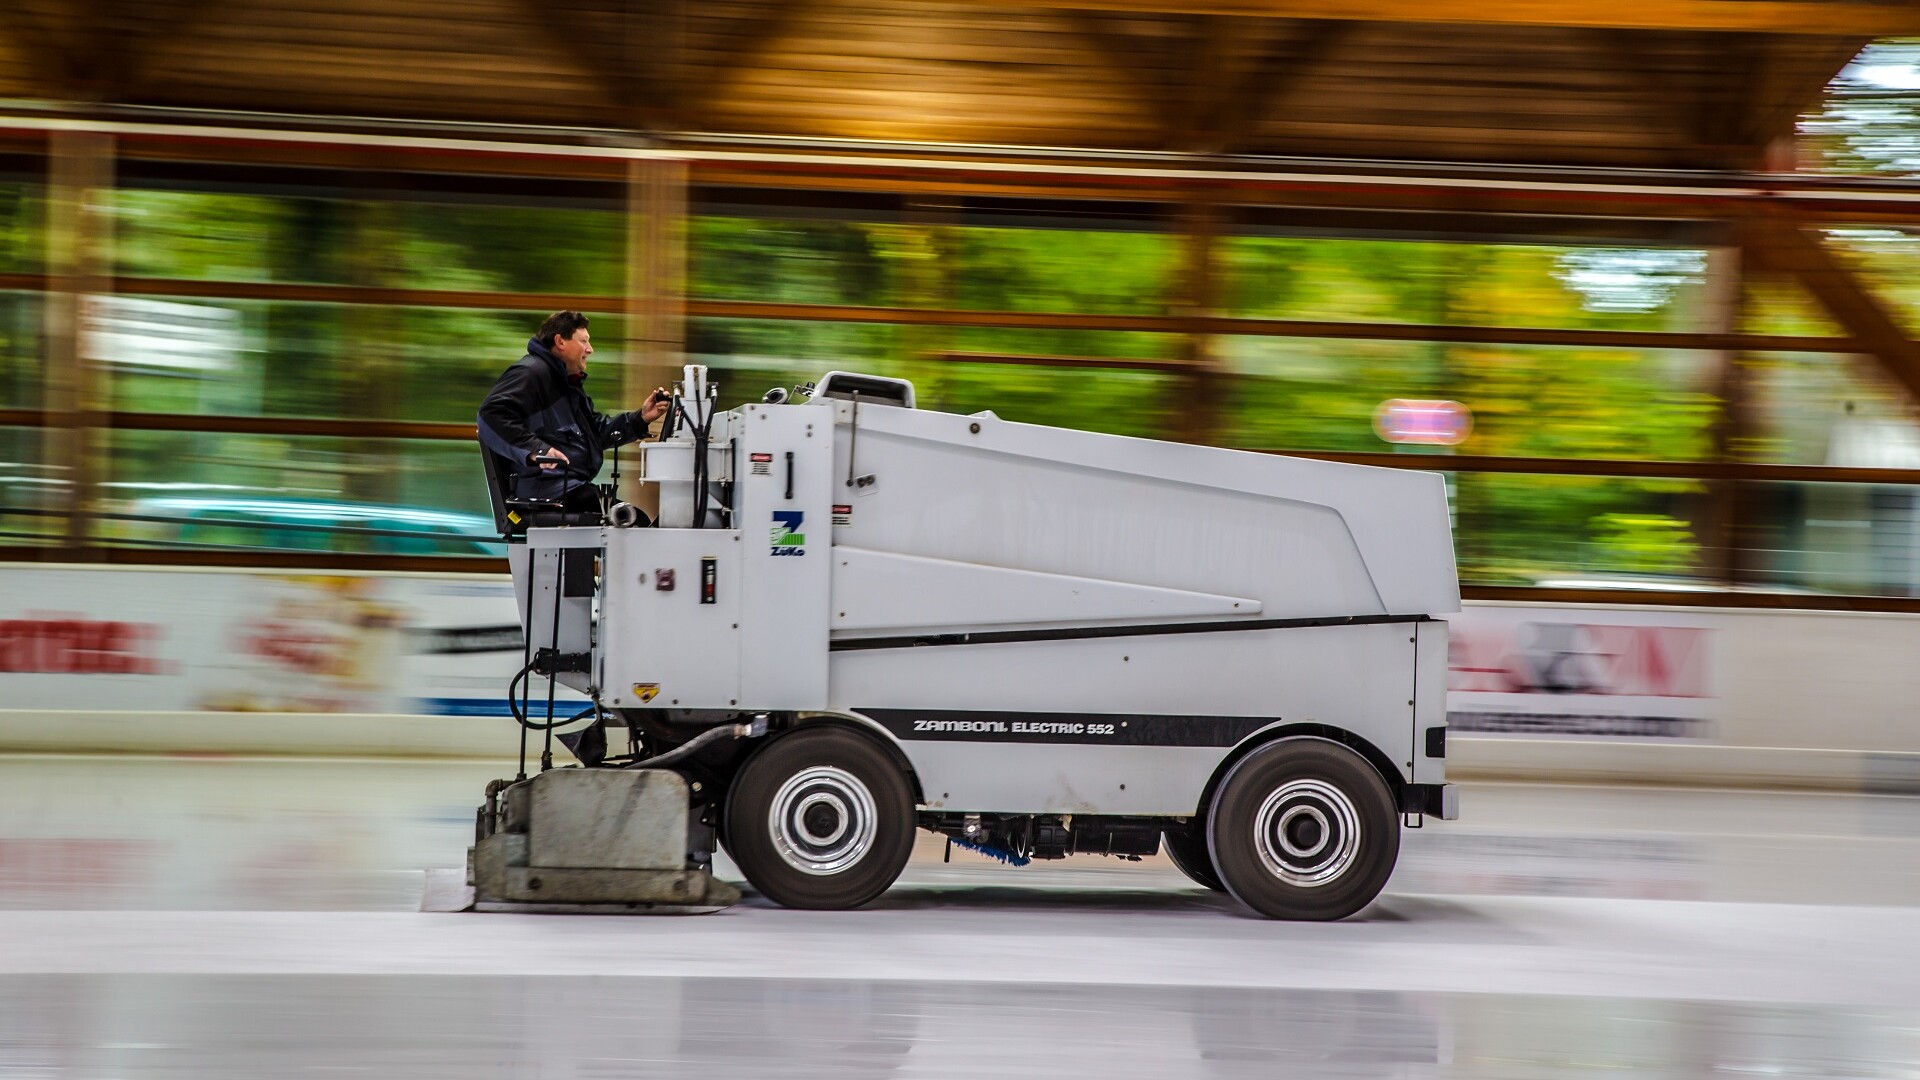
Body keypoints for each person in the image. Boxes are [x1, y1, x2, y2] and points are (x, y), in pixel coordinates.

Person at [478, 310, 670, 514]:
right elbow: (490, 414)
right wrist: (537, 449)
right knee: (631, 520)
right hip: (548, 495)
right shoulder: (531, 373)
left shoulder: (566, 383)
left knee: (632, 519)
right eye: (584, 341)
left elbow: (595, 433)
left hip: (568, 489)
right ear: (560, 341)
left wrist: (640, 418)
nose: (590, 349)